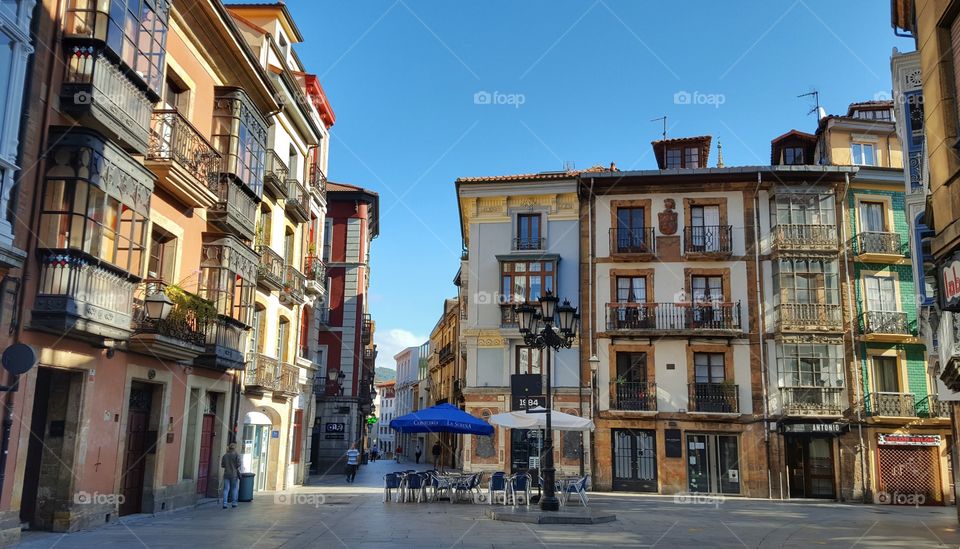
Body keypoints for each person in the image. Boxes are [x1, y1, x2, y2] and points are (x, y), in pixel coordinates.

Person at [221, 442, 241, 509]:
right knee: (234, 488)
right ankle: (234, 503)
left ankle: (225, 504)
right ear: (234, 448)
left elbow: (222, 465)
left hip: (226, 474)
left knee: (226, 489)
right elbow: (238, 464)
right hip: (234, 474)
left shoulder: (225, 456)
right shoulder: (236, 455)